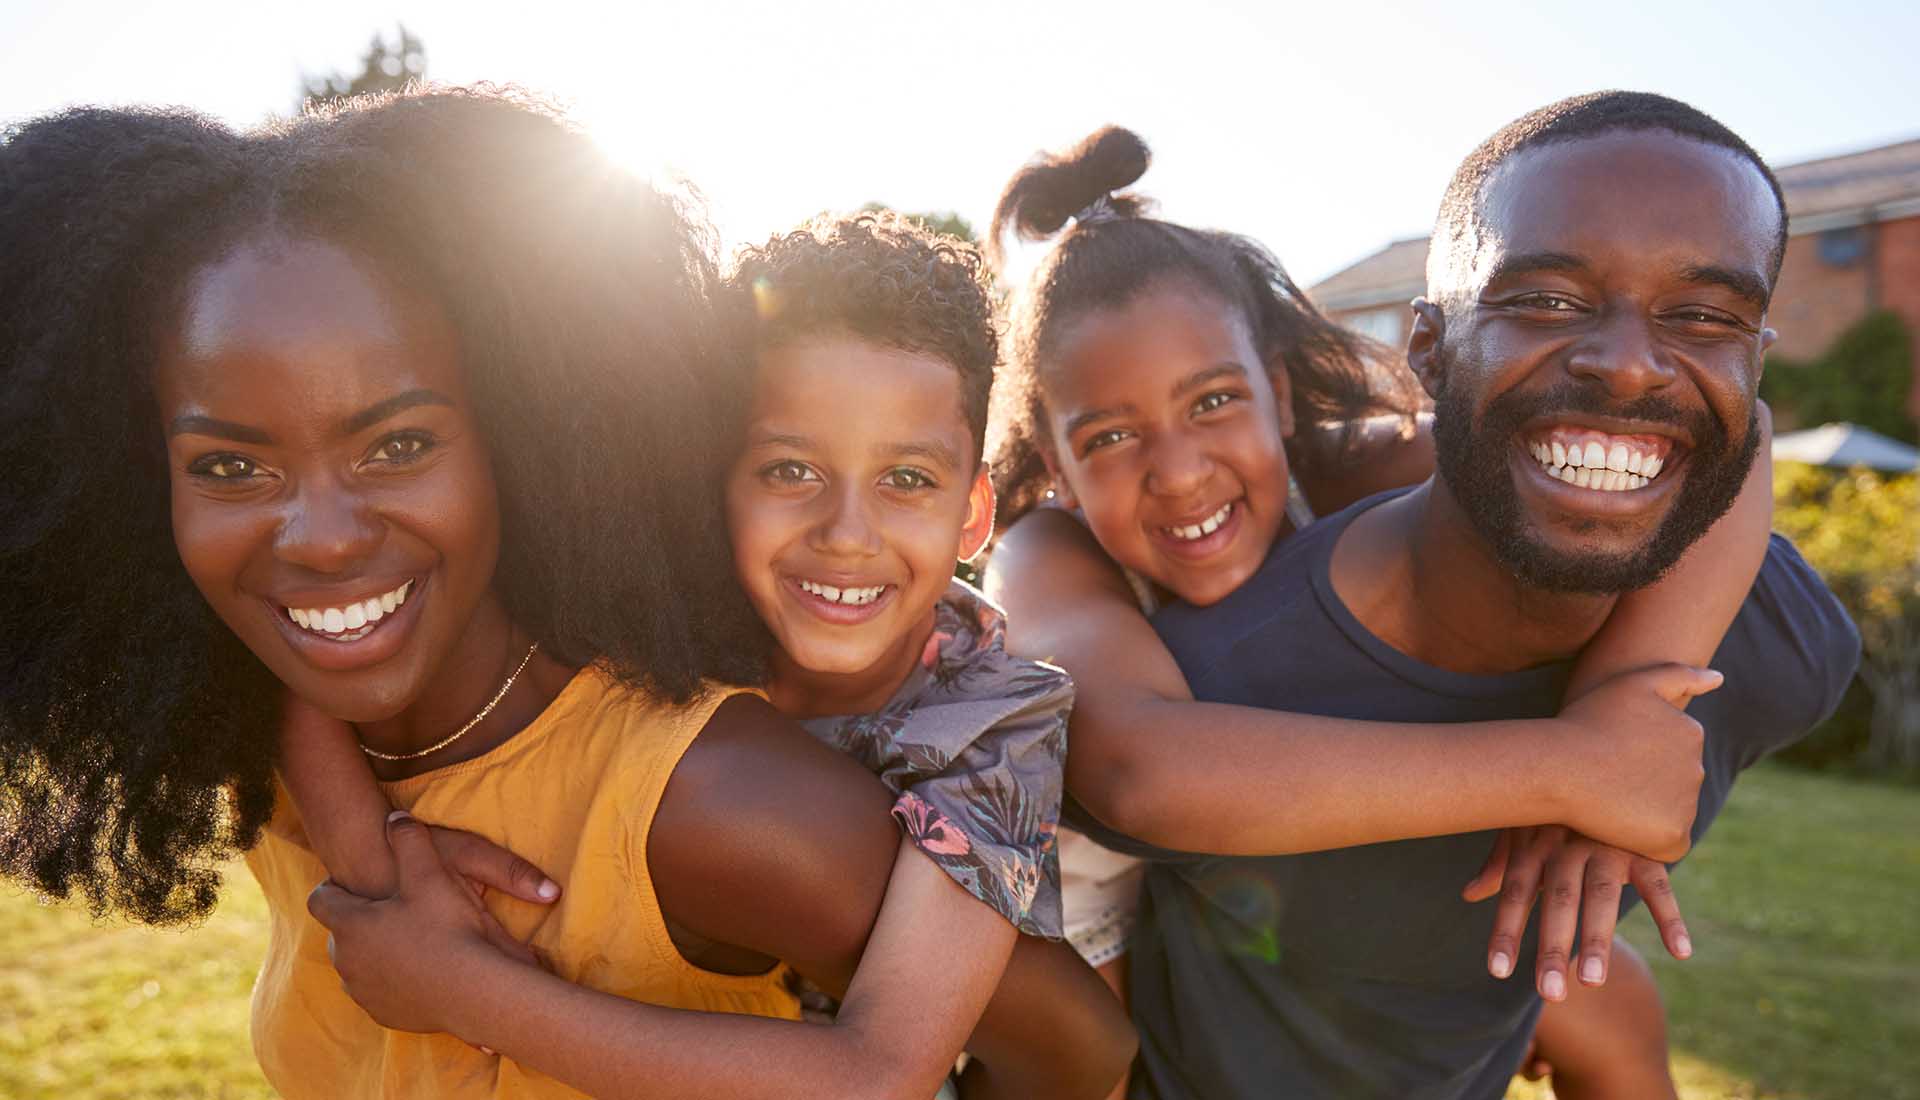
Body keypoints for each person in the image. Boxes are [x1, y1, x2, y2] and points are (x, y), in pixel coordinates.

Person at [0, 90, 1123, 1100]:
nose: (323, 539)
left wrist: (464, 983)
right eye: (232, 465)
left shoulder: (719, 805)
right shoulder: (267, 708)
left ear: (523, 429)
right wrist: (371, 850)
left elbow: (1072, 1050)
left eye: (397, 443)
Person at [996, 94, 1859, 1099]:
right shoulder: (1047, 546)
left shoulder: (1383, 455)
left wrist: (1626, 693)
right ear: (1051, 463)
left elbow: (1720, 426)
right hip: (1090, 872)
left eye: (1213, 401)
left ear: (1276, 392)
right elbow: (1138, 768)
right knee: (1072, 1040)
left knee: (1603, 996)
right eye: (1107, 437)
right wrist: (1577, 767)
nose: (1180, 470)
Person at [285, 211, 1132, 1097]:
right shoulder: (646, 620)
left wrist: (466, 990)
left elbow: (880, 1076)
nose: (846, 534)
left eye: (907, 480)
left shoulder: (994, 728)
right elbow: (305, 651)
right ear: (714, 480)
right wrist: (376, 860)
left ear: (973, 515)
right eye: (789, 471)